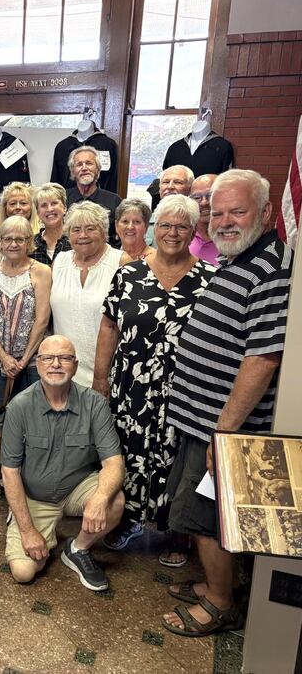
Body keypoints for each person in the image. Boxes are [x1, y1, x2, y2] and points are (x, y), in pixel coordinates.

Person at [162, 169, 291, 637]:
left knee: (208, 518)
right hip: (200, 420)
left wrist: (225, 432)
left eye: (237, 211)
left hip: (223, 427)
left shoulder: (273, 267)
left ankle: (221, 603)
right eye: (217, 213)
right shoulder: (237, 259)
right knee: (201, 513)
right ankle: (218, 584)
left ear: (266, 212)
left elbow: (263, 357)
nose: (224, 221)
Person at [93, 195, 217, 565]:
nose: (172, 233)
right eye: (165, 225)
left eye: (182, 226)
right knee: (127, 454)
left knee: (176, 459)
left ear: (194, 231)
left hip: (184, 392)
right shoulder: (129, 275)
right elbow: (109, 325)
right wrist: (101, 380)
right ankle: (125, 520)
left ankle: (177, 533)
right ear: (153, 228)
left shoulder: (209, 280)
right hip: (131, 387)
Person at [1, 335, 124, 591]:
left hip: (77, 487)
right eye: (48, 358)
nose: (56, 364)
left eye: (65, 358)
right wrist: (27, 531)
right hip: (35, 497)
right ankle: (29, 524)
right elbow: (9, 472)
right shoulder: (19, 407)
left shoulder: (95, 404)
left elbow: (113, 462)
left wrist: (100, 499)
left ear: (75, 365)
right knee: (24, 572)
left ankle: (78, 548)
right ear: (38, 364)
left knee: (115, 501)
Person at [50, 201, 127, 388]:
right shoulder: (59, 262)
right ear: (68, 234)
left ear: (103, 231)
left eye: (90, 229)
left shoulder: (121, 262)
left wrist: (102, 376)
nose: (83, 235)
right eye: (76, 230)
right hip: (64, 368)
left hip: (107, 372)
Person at [0, 215, 52, 406]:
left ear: (29, 242)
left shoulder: (42, 271)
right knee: (2, 413)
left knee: (34, 413)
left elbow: (42, 320)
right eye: (8, 239)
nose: (13, 244)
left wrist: (23, 360)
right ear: (0, 242)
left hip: (33, 362)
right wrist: (4, 358)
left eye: (20, 239)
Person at [64, 147, 122, 246]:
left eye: (89, 163)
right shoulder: (62, 198)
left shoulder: (114, 201)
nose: (84, 168)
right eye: (79, 164)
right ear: (73, 171)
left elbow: (120, 237)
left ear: (98, 169)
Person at [147, 165, 194, 245]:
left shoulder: (198, 224)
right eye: (165, 182)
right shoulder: (144, 223)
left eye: (177, 182)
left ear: (190, 188)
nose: (170, 187)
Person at [32, 182, 71, 266]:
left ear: (64, 208)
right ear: (38, 213)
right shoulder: (31, 244)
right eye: (44, 205)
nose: (49, 209)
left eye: (54, 203)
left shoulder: (76, 241)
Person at [188, 174, 220, 264]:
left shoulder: (237, 239)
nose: (203, 202)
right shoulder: (182, 235)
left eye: (210, 196)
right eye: (197, 198)